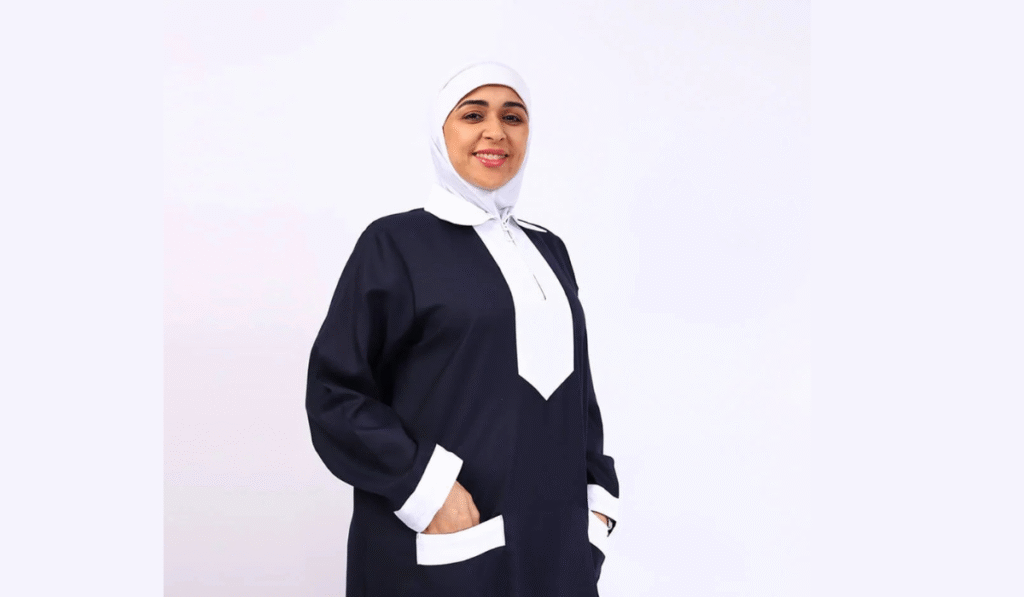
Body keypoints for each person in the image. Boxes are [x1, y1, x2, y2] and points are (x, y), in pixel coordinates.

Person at [306, 62, 620, 597]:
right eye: (473, 115)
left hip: (556, 544)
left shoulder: (549, 248)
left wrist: (597, 500)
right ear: (441, 131)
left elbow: (577, 391)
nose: (495, 132)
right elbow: (336, 394)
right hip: (444, 539)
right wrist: (427, 491)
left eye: (513, 117)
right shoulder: (395, 244)